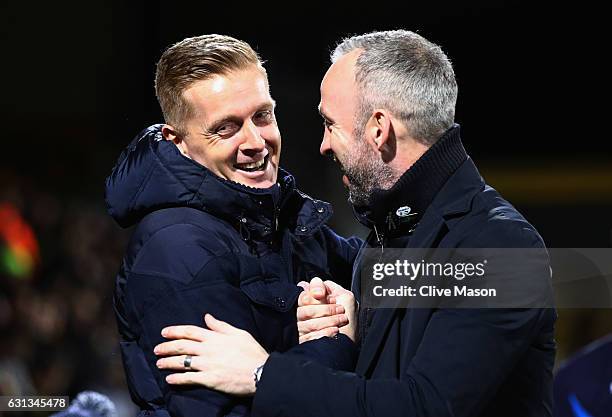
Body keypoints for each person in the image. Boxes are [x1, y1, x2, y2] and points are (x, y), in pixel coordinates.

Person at [154, 30, 557, 417]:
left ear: (378, 130)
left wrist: (262, 374)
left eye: (331, 125)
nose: (324, 144)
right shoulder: (395, 232)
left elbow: (423, 407)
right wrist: (355, 320)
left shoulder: (499, 246)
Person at [105, 34, 361, 417]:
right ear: (178, 142)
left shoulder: (272, 213)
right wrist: (336, 340)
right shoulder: (179, 251)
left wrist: (478, 260)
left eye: (263, 115)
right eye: (225, 127)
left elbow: (373, 269)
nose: (256, 141)